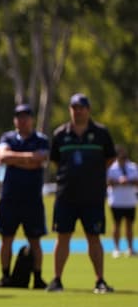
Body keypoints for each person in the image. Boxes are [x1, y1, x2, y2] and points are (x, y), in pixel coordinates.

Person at [47, 93, 117, 293]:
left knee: (94, 237)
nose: (78, 111)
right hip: (66, 195)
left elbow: (109, 159)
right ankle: (57, 279)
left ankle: (100, 280)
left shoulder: (101, 133)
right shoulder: (61, 134)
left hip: (92, 196)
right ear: (70, 110)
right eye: (74, 108)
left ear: (88, 110)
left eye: (81, 108)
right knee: (62, 237)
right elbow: (56, 161)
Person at [0, 104, 50, 289]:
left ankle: (38, 277)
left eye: (25, 117)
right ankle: (5, 276)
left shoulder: (40, 139)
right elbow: (3, 157)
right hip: (9, 198)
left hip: (32, 199)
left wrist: (15, 160)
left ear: (31, 119)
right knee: (6, 238)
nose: (22, 120)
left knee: (35, 240)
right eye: (18, 117)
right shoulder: (7, 137)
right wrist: (27, 158)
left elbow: (40, 159)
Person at [107, 146, 138, 257]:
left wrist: (128, 181)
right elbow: (108, 182)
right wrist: (119, 182)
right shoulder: (111, 168)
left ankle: (130, 248)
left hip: (130, 201)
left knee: (129, 225)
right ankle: (116, 248)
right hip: (116, 201)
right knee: (117, 225)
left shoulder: (133, 167)